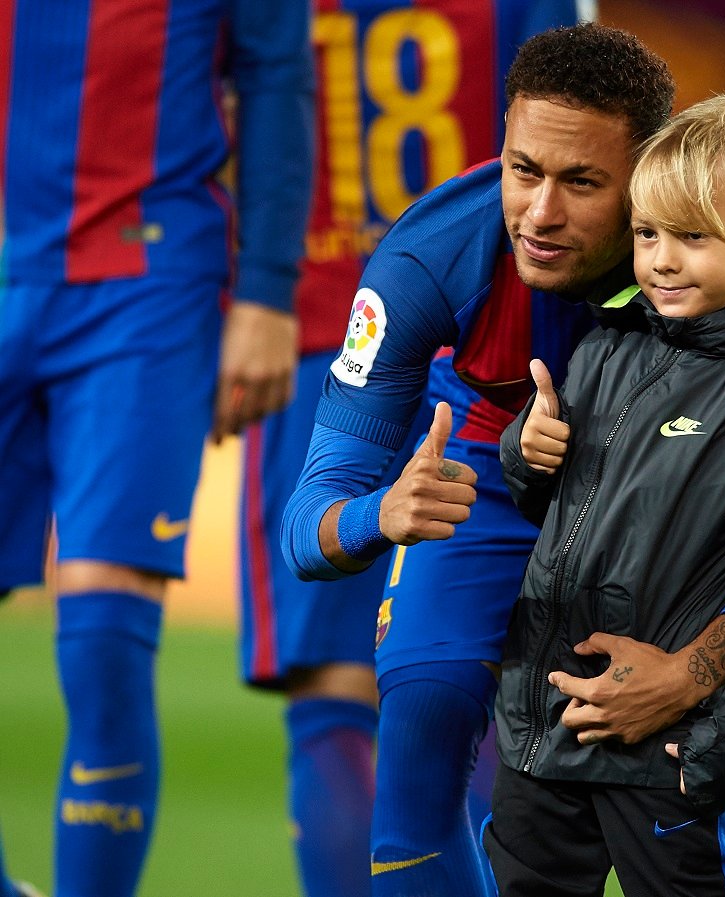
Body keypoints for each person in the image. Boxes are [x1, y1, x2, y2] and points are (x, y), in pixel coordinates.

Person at [282, 22, 725, 897]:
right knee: (422, 719)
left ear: (647, 176)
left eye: (582, 182)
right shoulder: (427, 258)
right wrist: (384, 511)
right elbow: (306, 525)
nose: (540, 214)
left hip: (681, 494)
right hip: (482, 475)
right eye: (524, 171)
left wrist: (691, 670)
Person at [235, 3, 579, 895]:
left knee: (349, 693)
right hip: (423, 332)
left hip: (324, 316)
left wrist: (253, 292)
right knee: (449, 687)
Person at [484, 91, 725, 897]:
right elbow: (561, 518)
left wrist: (715, 754)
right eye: (648, 233)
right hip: (545, 741)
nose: (659, 260)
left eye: (692, 237)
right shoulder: (608, 344)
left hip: (671, 762)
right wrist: (528, 454)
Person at [0, 2, 312, 896]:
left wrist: (266, 291)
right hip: (12, 266)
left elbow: (277, 74)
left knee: (101, 634)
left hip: (146, 282)